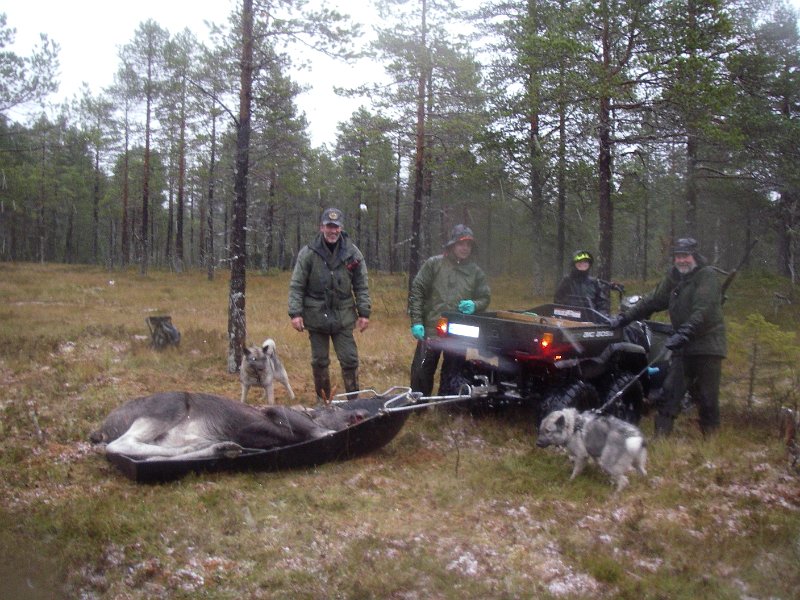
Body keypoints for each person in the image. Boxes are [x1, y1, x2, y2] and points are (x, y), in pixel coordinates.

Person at [609, 237, 726, 436]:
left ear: (694, 256)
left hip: (708, 346)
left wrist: (684, 332)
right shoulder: (674, 277)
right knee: (669, 393)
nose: (681, 260)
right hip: (683, 346)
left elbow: (703, 311)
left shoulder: (706, 276)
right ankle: (660, 441)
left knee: (707, 398)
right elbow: (652, 301)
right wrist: (624, 319)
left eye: (685, 256)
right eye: (678, 256)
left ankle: (712, 444)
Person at [288, 207, 371, 400]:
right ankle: (323, 401)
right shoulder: (308, 253)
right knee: (319, 361)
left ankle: (353, 400)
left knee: (350, 359)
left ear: (341, 228)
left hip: (343, 316)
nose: (332, 231)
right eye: (329, 226)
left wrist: (364, 313)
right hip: (316, 315)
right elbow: (297, 285)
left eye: (336, 227)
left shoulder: (353, 253)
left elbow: (361, 285)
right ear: (321, 227)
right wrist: (295, 313)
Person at [408, 224, 491, 396]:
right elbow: (417, 291)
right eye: (461, 244)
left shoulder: (476, 272)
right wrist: (416, 321)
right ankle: (417, 408)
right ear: (453, 245)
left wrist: (475, 305)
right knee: (421, 371)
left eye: (468, 245)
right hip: (431, 329)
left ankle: (446, 408)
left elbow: (485, 298)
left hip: (458, 333)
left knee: (453, 373)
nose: (465, 248)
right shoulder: (434, 264)